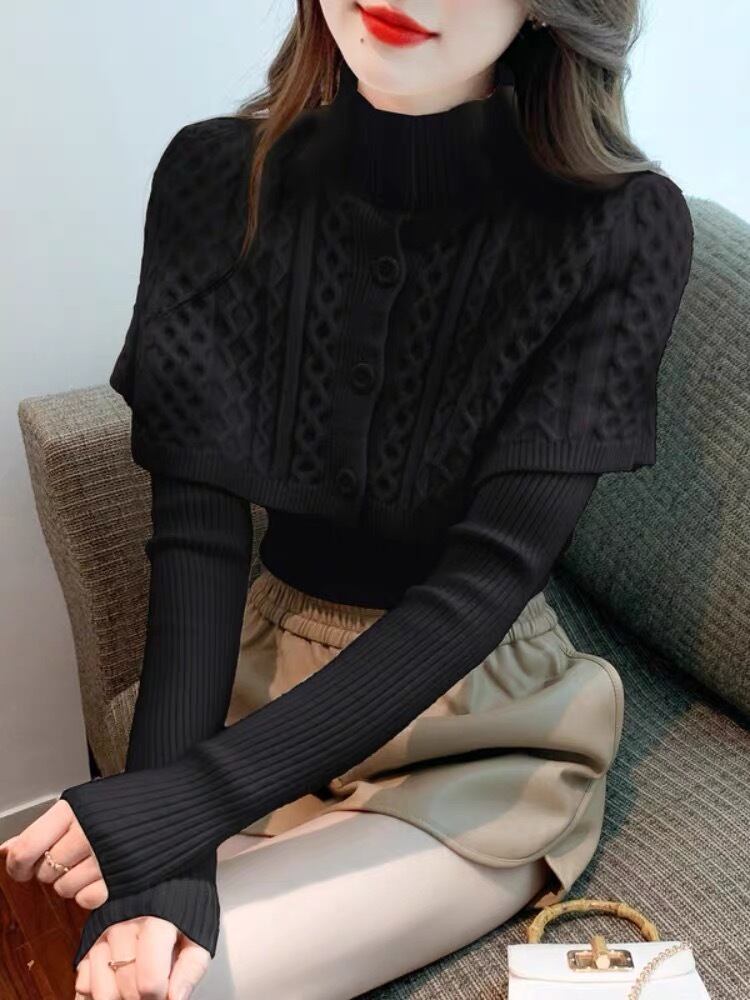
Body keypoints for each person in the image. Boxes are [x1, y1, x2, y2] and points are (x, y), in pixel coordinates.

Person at [1, 1, 694, 998]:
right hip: (260, 681)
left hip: (477, 719)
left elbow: (488, 579)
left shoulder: (622, 227)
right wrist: (166, 858)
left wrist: (188, 803)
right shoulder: (214, 177)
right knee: (133, 967)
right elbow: (196, 543)